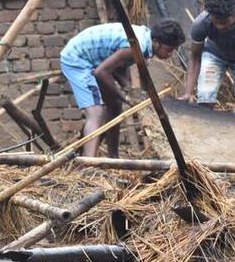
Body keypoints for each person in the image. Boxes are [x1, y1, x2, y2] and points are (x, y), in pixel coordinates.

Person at [60, 19, 185, 158]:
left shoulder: (142, 40)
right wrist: (125, 97)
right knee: (96, 112)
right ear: (156, 42)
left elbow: (117, 67)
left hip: (96, 59)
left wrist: (129, 90)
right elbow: (101, 72)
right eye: (168, 50)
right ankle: (89, 163)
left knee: (115, 106)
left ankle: (113, 158)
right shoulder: (136, 46)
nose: (170, 54)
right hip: (77, 58)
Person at [179, 0, 235, 107]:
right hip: (215, 55)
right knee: (205, 97)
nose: (220, 26)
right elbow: (195, 58)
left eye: (225, 22)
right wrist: (188, 93)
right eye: (216, 22)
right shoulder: (202, 23)